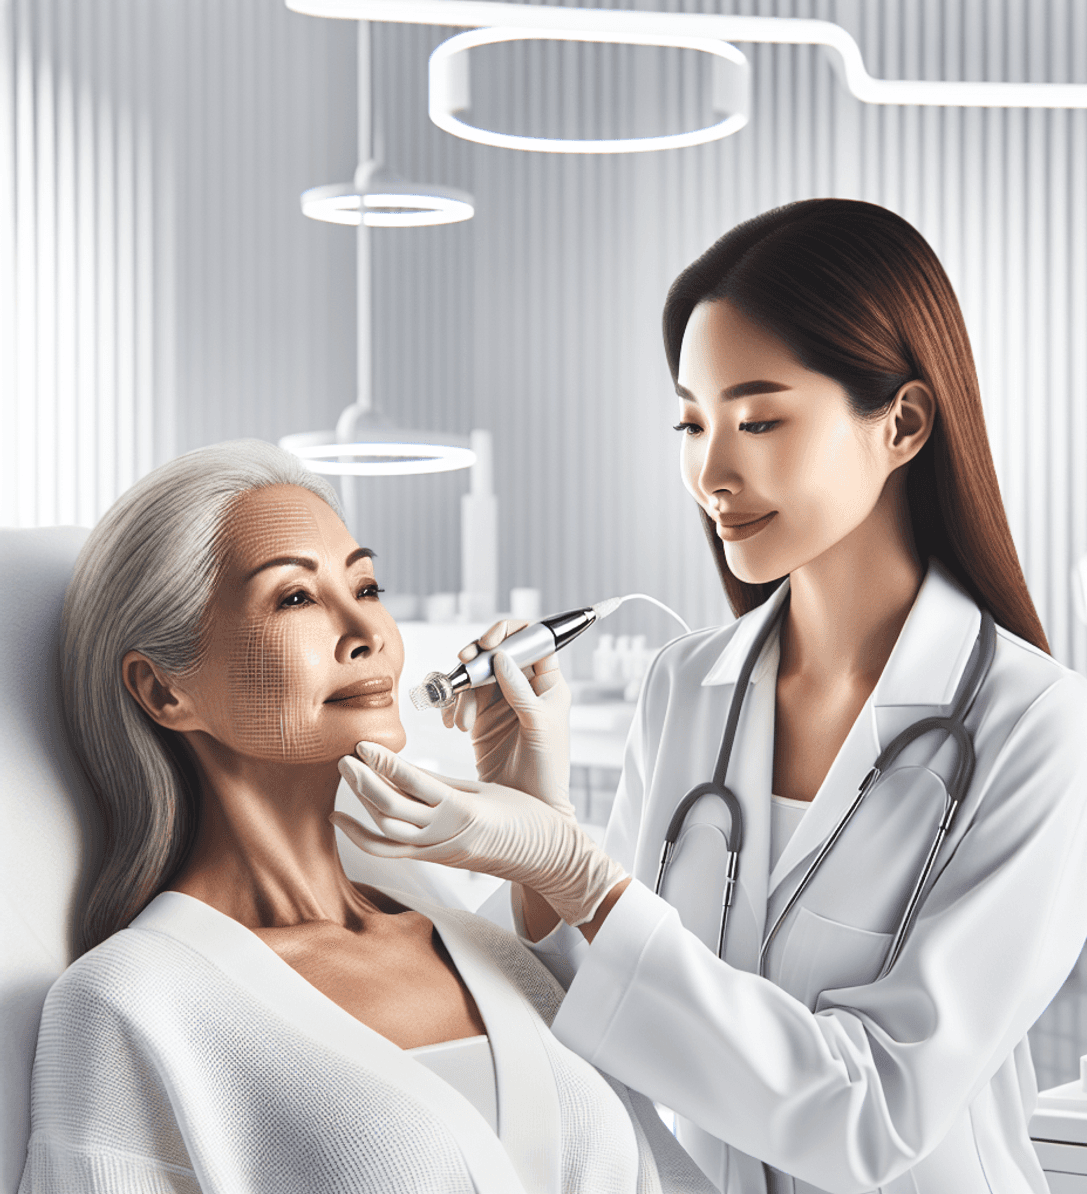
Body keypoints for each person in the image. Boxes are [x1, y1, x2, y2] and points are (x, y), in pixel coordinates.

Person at [334, 200, 1087, 1194]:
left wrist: (579, 875)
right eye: (691, 424)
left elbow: (874, 1114)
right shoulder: (686, 688)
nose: (711, 471)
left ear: (902, 423)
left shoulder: (1028, 724)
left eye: (761, 420)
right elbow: (611, 1026)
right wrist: (540, 833)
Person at [19, 439, 715, 1194]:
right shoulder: (131, 1005)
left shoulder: (490, 949)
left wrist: (543, 835)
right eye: (295, 598)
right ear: (162, 692)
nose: (369, 634)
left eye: (369, 586)